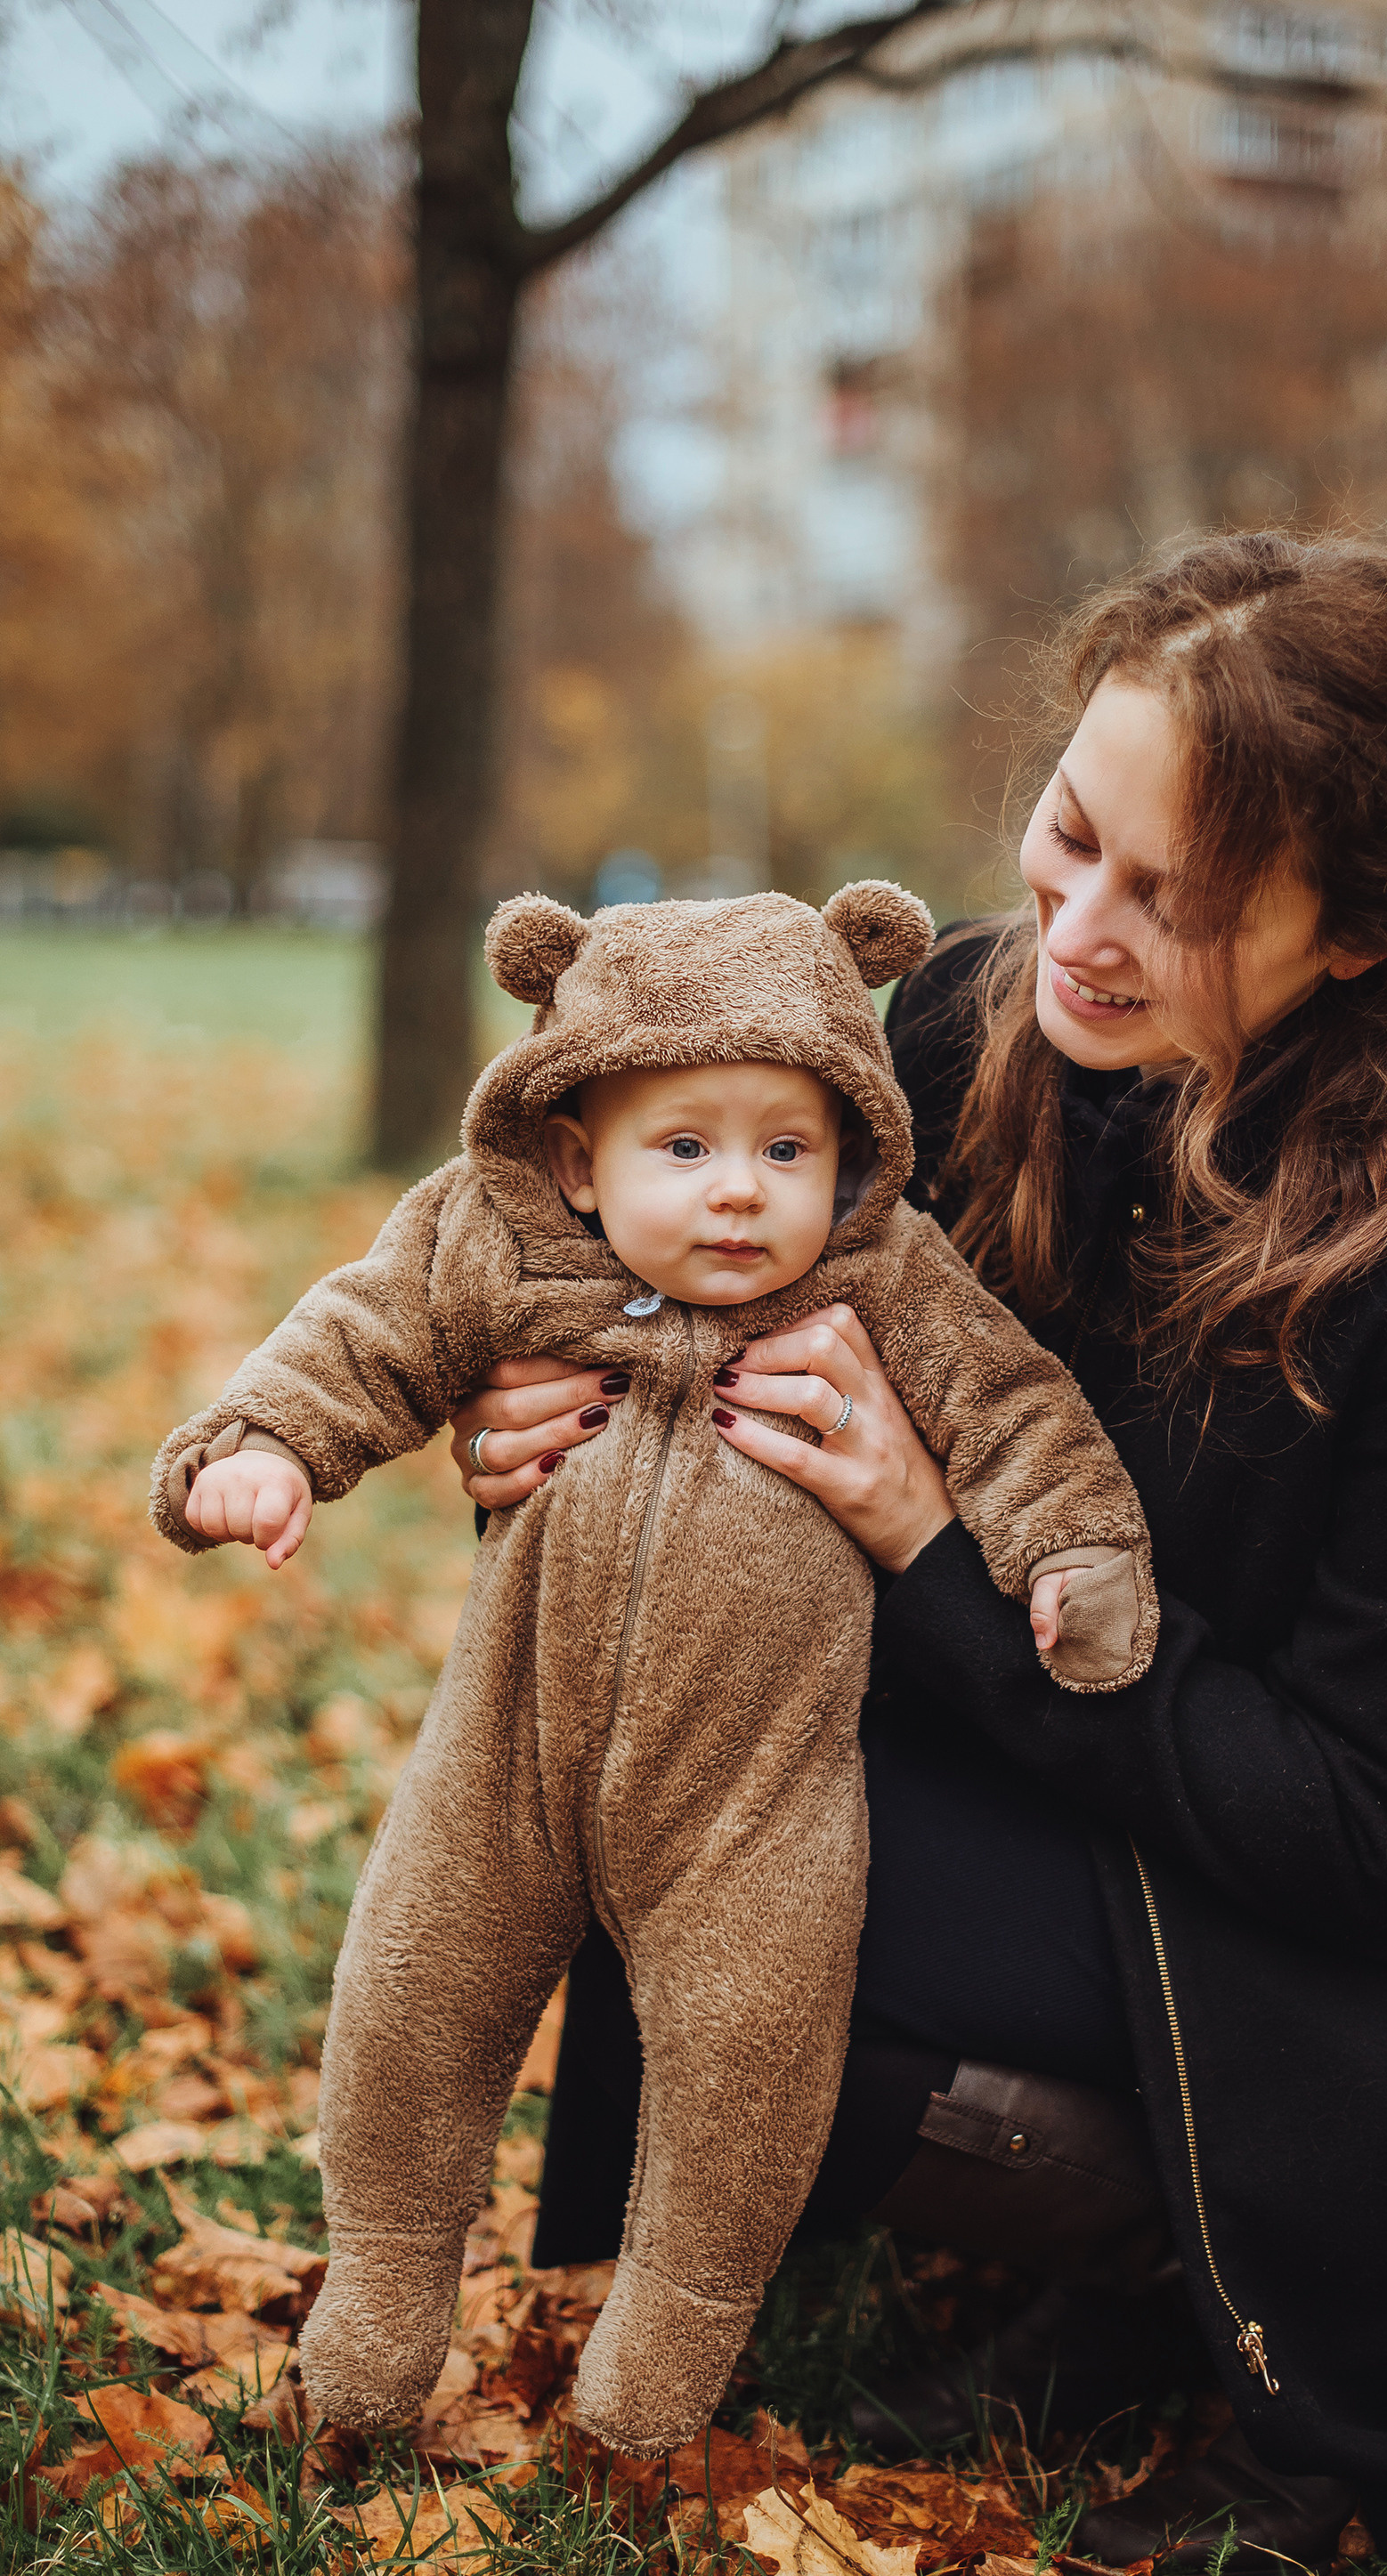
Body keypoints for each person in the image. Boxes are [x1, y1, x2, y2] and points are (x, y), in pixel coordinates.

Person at [461, 533, 1387, 2556]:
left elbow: (1355, 1822)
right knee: (629, 1750)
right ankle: (1119, 2250)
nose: (1074, 925)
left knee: (742, 1864)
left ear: (1353, 935)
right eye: (1070, 834)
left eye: (1175, 903)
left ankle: (1200, 2273)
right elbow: (668, 1314)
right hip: (1119, 1808)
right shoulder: (963, 1033)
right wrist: (557, 1436)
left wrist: (922, 1536)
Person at [150, 878, 1158, 2458]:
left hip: (752, 1804)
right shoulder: (497, 1246)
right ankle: (365, 2343)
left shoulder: (880, 1279)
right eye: (684, 1148)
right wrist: (263, 1445)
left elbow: (1017, 1409)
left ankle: (642, 2406)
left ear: (852, 1155)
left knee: (746, 2089)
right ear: (577, 1151)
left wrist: (1075, 1555)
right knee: (404, 2023)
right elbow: (358, 1334)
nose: (741, 1194)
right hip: (503, 1764)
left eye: (786, 1149)